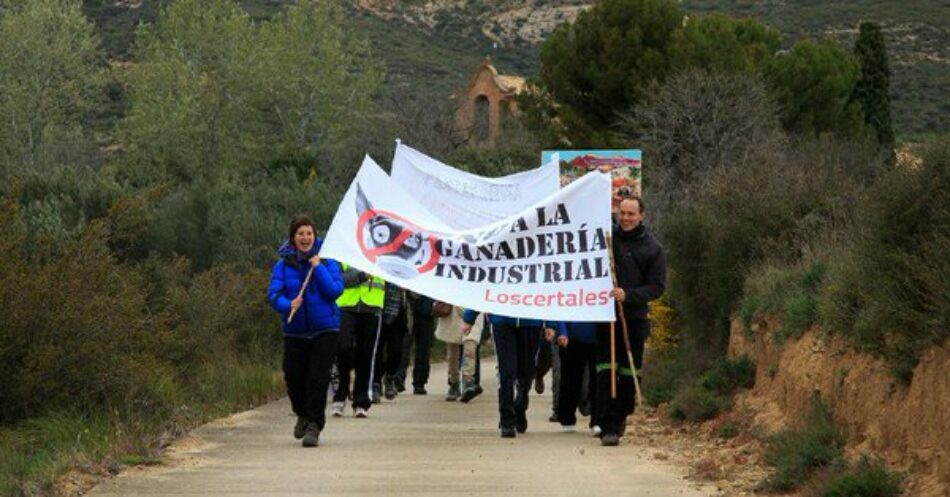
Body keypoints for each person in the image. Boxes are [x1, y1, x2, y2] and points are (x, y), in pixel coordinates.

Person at [267, 216, 343, 447]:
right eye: (301, 234)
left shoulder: (328, 260)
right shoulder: (283, 265)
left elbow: (334, 290)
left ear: (315, 236)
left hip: (325, 329)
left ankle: (314, 426)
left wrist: (317, 267)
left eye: (309, 233)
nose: (305, 238)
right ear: (293, 237)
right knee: (293, 377)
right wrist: (286, 305)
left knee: (317, 379)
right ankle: (302, 414)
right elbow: (274, 294)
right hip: (295, 331)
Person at [596, 197, 666, 446]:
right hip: (604, 316)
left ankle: (621, 415)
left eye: (631, 214)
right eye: (622, 213)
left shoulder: (652, 248)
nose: (625, 218)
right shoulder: (605, 238)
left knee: (628, 371)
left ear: (641, 215)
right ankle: (606, 425)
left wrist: (629, 295)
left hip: (633, 319)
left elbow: (657, 287)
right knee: (605, 369)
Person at [463, 311, 557, 438]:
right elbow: (482, 290)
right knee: (506, 371)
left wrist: (550, 323)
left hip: (531, 322)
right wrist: (470, 317)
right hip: (502, 321)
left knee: (526, 372)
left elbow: (547, 292)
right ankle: (507, 420)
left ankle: (520, 406)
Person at [332, 263, 385, 418]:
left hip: (372, 306)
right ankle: (340, 394)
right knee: (343, 348)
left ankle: (361, 401)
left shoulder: (381, 251)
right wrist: (360, 276)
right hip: (345, 305)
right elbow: (336, 280)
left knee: (366, 354)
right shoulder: (342, 252)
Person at [547, 322, 598, 433]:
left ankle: (597, 420)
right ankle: (567, 418)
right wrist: (562, 331)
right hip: (571, 336)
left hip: (598, 335)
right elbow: (562, 308)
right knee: (570, 379)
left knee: (598, 379)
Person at [434, 305, 485, 401]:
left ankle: (468, 381)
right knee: (452, 355)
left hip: (473, 308)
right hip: (453, 311)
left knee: (470, 349)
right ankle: (454, 383)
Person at [377, 282, 409, 400]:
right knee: (377, 348)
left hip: (398, 311)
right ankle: (376, 383)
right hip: (378, 307)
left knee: (396, 350)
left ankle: (390, 377)